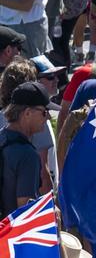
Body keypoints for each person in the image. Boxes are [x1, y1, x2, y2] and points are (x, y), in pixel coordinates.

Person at [0, 81, 47, 215]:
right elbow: (26, 210)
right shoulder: (28, 155)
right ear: (27, 113)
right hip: (11, 234)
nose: (48, 117)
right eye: (44, 112)